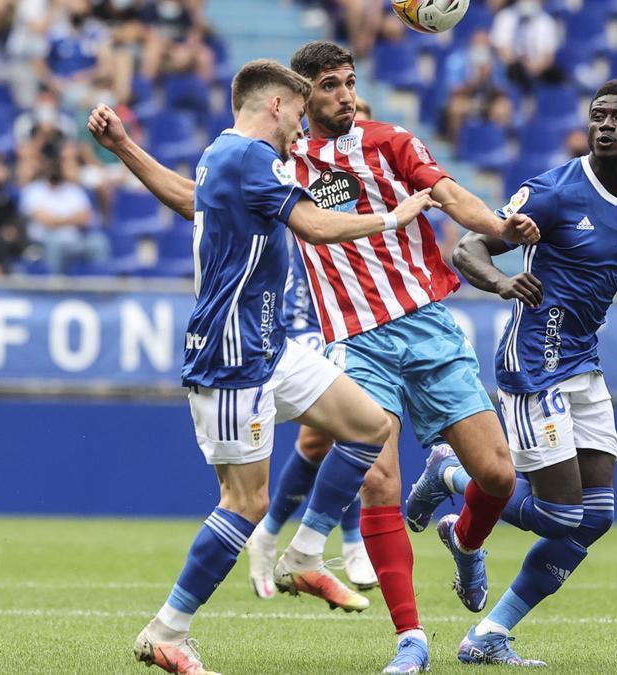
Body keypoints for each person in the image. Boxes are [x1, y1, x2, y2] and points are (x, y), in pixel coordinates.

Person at [90, 41, 540, 674]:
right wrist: (391, 217)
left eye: (347, 85)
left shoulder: (326, 148)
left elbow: (192, 197)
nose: (333, 103)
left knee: (427, 449)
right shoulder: (265, 158)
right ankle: (182, 628)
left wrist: (500, 226)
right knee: (288, 493)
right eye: (318, 93)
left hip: (333, 336)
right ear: (287, 101)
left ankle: (334, 547)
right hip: (271, 349)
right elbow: (287, 220)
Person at [118, 59, 439, 675]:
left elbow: (189, 201)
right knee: (245, 504)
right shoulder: (250, 159)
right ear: (275, 106)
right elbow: (315, 226)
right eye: (296, 110)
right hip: (231, 357)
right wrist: (393, 217)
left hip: (272, 346)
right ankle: (168, 630)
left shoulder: (220, 154)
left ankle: (306, 551)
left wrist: (126, 147)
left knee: (371, 427)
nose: (300, 126)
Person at [418, 79, 617, 665]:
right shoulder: (553, 190)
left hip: (584, 367)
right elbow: (469, 247)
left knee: (595, 518)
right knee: (557, 514)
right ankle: (449, 472)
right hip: (534, 363)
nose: (605, 125)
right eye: (598, 115)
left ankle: (488, 635)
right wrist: (500, 282)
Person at [245, 96, 382, 599]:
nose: (357, 131)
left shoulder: (376, 172)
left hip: (358, 313)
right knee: (326, 435)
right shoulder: (305, 170)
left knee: (342, 433)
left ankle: (285, 534)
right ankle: (343, 539)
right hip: (308, 312)